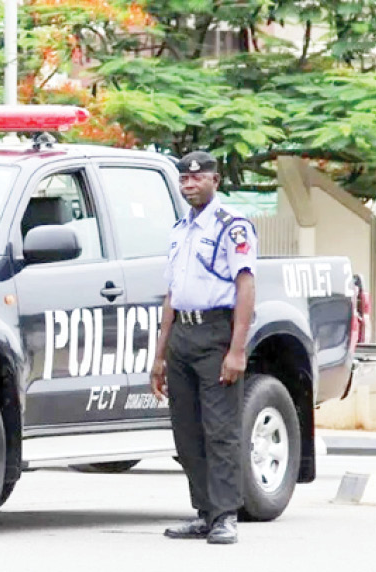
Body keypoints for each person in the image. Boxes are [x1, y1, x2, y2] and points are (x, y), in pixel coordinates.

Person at [150, 151, 257, 545]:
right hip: (182, 334)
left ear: (215, 180)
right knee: (188, 432)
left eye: (198, 178)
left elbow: (245, 286)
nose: (189, 184)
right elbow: (171, 295)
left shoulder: (234, 227)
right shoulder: (180, 229)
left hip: (216, 333)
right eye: (184, 179)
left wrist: (237, 349)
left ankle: (226, 515)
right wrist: (159, 356)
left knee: (220, 430)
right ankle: (204, 512)